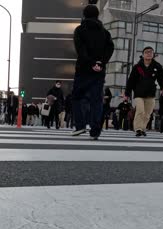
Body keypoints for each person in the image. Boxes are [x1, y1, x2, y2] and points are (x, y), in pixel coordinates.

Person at [71, 4, 114, 139]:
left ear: (84, 15)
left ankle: (80, 126)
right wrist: (100, 63)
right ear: (97, 15)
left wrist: (90, 63)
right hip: (99, 72)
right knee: (96, 101)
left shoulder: (79, 30)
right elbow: (110, 49)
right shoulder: (105, 32)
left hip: (83, 70)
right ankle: (95, 131)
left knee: (77, 97)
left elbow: (80, 50)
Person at [125, 46, 163, 137]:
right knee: (140, 110)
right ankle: (138, 129)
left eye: (151, 52)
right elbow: (131, 81)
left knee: (148, 113)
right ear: (143, 55)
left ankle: (143, 128)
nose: (149, 54)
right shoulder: (137, 67)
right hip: (139, 93)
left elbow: (162, 78)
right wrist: (127, 93)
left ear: (153, 55)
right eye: (147, 52)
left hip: (151, 93)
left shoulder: (157, 66)